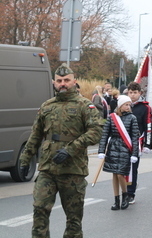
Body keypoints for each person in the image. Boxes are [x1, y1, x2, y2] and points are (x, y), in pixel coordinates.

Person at [19, 63, 103, 237]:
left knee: (73, 219)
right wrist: (25, 160)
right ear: (54, 83)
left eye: (66, 80)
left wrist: (70, 149)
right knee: (39, 209)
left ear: (74, 81)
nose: (63, 83)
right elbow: (35, 135)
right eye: (59, 81)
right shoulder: (47, 106)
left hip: (73, 170)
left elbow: (95, 132)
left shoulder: (85, 106)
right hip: (48, 169)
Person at [98, 95, 139, 210]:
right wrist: (101, 150)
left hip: (125, 149)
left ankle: (125, 195)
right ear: (120, 106)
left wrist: (135, 154)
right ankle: (116, 199)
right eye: (126, 104)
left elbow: (135, 137)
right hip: (113, 148)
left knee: (121, 174)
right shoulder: (112, 117)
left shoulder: (132, 118)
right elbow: (105, 134)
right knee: (114, 175)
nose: (128, 107)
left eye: (129, 105)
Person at [126, 82, 152, 204]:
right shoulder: (124, 105)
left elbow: (148, 126)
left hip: (137, 141)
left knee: (133, 168)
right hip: (123, 141)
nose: (132, 95)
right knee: (122, 168)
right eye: (130, 92)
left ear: (140, 93)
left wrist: (147, 144)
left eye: (135, 93)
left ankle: (131, 193)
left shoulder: (145, 107)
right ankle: (124, 190)